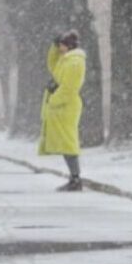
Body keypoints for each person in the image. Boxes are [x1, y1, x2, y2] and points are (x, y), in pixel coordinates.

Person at [39, 30, 87, 191]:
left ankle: (75, 178)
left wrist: (54, 100)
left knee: (68, 143)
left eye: (61, 45)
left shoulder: (74, 63)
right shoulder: (66, 60)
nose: (59, 49)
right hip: (61, 107)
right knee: (67, 143)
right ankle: (74, 178)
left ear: (69, 46)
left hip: (65, 107)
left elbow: (69, 88)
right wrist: (53, 47)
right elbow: (52, 65)